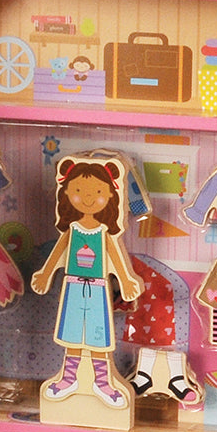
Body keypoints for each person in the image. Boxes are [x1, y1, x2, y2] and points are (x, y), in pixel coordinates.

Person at [30, 155, 143, 408]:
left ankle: (102, 382)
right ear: (67, 192)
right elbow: (58, 254)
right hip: (72, 288)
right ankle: (68, 379)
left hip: (97, 290)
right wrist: (45, 274)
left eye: (98, 191)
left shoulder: (104, 234)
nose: (88, 198)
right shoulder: (71, 231)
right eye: (79, 190)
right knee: (71, 335)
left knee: (98, 337)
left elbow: (115, 259)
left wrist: (125, 281)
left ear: (111, 195)